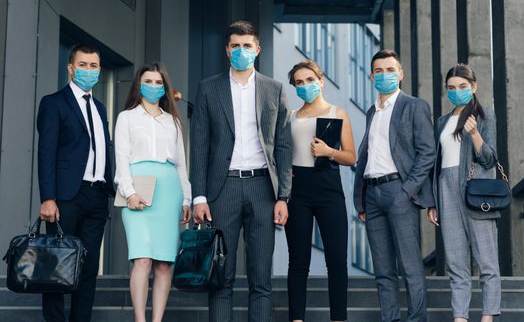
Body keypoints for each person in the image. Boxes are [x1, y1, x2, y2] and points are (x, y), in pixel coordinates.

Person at [190, 20, 292, 322]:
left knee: (262, 280)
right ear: (227, 50)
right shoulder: (209, 88)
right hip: (224, 190)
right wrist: (199, 196)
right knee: (221, 278)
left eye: (247, 46)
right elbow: (199, 146)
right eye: (235, 46)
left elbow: (284, 145)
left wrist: (284, 196)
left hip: (263, 190)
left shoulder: (274, 89)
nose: (241, 51)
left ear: (257, 50)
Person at [353, 50, 435, 322]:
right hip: (372, 194)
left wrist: (407, 190)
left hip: (399, 191)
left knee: (410, 265)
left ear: (400, 74)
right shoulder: (370, 112)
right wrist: (361, 198)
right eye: (379, 70)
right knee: (383, 268)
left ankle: (416, 319)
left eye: (390, 69)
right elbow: (366, 157)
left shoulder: (414, 106)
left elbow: (427, 152)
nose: (385, 74)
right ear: (371, 76)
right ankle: (390, 319)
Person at [37, 44, 115, 322]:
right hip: (66, 197)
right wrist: (48, 197)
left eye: (94, 66)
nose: (89, 70)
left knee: (89, 267)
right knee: (57, 265)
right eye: (83, 65)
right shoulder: (53, 103)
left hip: (96, 196)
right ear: (71, 68)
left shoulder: (100, 107)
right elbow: (46, 152)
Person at [114, 62, 192, 322]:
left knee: (163, 262)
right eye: (148, 81)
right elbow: (121, 158)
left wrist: (186, 199)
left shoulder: (173, 121)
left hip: (169, 192)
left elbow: (181, 163)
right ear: (139, 84)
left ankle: (157, 319)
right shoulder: (126, 117)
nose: (154, 86)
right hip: (137, 187)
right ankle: (140, 319)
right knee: (142, 259)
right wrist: (129, 192)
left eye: (159, 83)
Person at [427, 64, 501, 322]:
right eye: (451, 88)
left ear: (473, 87)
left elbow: (490, 160)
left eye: (462, 87)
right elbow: (436, 165)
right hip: (445, 191)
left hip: (475, 192)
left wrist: (474, 134)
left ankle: (488, 317)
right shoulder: (441, 122)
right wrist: (433, 202)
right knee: (456, 262)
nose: (456, 91)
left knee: (487, 261)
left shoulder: (484, 116)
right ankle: (460, 317)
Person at [285, 60, 356, 322]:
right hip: (298, 188)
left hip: (328, 186)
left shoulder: (338, 113)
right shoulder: (290, 116)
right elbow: (282, 152)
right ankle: (297, 318)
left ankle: (338, 318)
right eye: (299, 83)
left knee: (336, 259)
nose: (305, 86)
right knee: (298, 260)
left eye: (310, 80)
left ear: (321, 81)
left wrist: (329, 152)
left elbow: (351, 157)